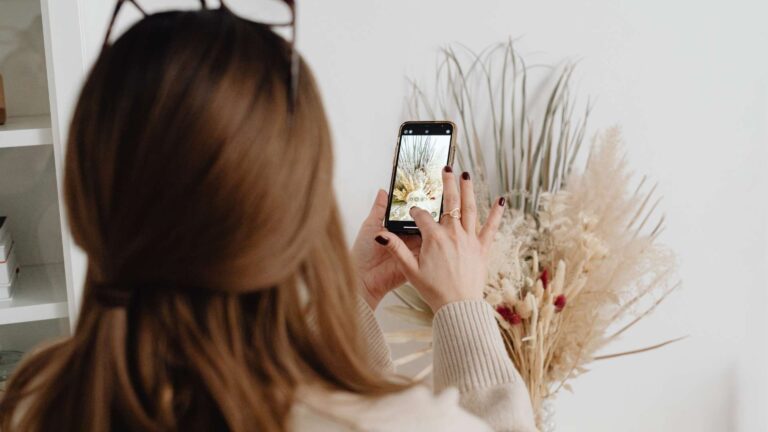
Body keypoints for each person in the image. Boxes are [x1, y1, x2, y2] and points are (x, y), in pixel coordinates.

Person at [0, 5, 537, 432]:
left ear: (84, 196)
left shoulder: (36, 398)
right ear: (300, 210)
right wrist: (462, 308)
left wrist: (354, 298)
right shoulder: (399, 422)